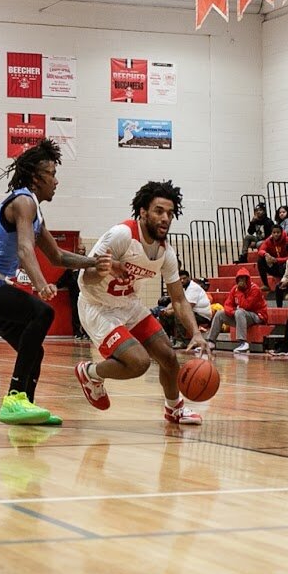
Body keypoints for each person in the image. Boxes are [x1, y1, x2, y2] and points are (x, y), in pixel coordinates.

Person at [0, 139, 111, 425]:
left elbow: (58, 257)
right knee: (42, 312)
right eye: (51, 173)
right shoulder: (23, 201)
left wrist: (93, 262)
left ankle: (25, 405)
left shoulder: (36, 211)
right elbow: (25, 249)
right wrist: (40, 284)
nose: (56, 181)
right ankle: (14, 398)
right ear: (37, 178)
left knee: (34, 348)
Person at [73, 181, 208, 425]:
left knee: (168, 356)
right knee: (139, 363)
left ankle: (174, 408)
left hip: (129, 304)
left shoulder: (167, 253)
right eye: (159, 211)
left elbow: (178, 299)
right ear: (143, 212)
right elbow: (85, 278)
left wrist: (196, 333)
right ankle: (90, 373)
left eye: (170, 213)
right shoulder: (122, 235)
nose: (165, 218)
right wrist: (103, 269)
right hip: (98, 306)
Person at [207, 270, 267, 354]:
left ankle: (243, 343)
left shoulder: (255, 289)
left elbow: (246, 306)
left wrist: (240, 291)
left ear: (247, 279)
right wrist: (232, 312)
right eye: (239, 279)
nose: (241, 281)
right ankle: (211, 342)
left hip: (257, 316)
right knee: (220, 313)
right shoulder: (234, 289)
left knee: (239, 312)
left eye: (243, 278)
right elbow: (227, 305)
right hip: (241, 316)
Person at [156, 269, 211, 348]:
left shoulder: (193, 288)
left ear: (189, 278)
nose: (182, 281)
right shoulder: (182, 288)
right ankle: (167, 340)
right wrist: (166, 310)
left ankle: (181, 341)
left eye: (184, 278)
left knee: (180, 314)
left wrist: (171, 312)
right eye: (180, 279)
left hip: (202, 316)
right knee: (163, 315)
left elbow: (188, 307)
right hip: (192, 313)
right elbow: (175, 301)